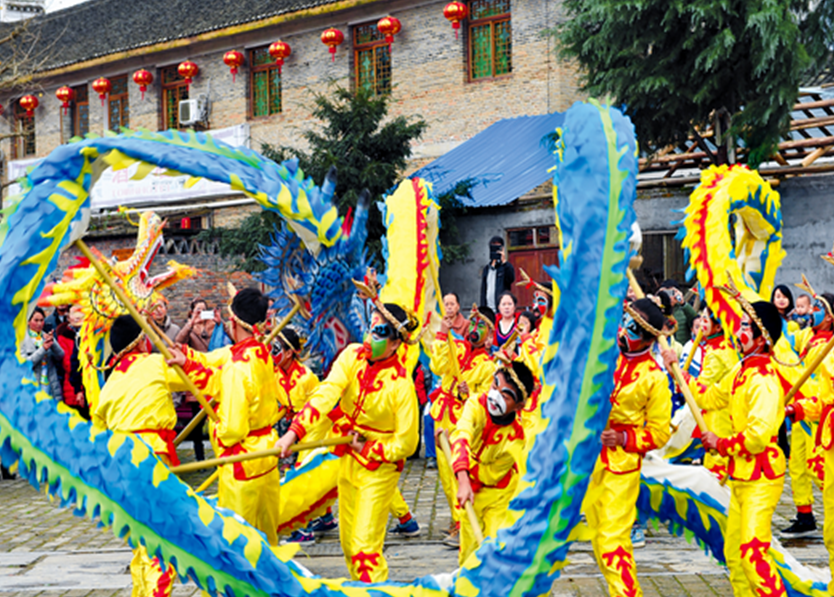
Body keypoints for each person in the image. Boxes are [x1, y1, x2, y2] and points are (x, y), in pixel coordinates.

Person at [275, 301, 420, 582]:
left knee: (366, 550)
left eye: (379, 332)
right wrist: (294, 433)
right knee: (349, 546)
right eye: (370, 328)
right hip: (347, 460)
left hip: (380, 471)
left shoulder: (401, 385)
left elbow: (407, 443)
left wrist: (367, 447)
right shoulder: (352, 356)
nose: (369, 337)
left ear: (394, 344)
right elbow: (327, 392)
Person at [93, 315, 216, 597]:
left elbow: (99, 433)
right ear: (141, 341)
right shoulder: (153, 364)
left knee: (141, 536)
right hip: (151, 460)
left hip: (121, 465)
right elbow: (193, 375)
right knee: (161, 537)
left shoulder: (111, 381)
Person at [673, 298, 787, 597]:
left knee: (753, 552)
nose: (739, 331)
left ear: (762, 338)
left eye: (746, 326)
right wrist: (686, 381)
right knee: (735, 554)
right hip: (741, 475)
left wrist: (720, 443)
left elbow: (758, 436)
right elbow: (711, 398)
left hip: (762, 478)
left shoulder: (763, 380)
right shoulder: (742, 369)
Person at [584, 298, 671, 597]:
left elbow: (659, 434)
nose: (624, 331)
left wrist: (623, 439)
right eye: (625, 322)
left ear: (648, 338)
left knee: (613, 540)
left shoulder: (655, 379)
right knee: (598, 539)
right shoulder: (610, 358)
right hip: (591, 460)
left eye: (633, 328)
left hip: (622, 468)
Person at [452, 360, 534, 563]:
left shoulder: (518, 435)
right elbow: (462, 434)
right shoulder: (475, 405)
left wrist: (466, 469)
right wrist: (463, 480)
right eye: (495, 385)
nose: (495, 395)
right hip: (469, 491)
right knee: (469, 554)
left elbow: (491, 474)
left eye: (506, 395)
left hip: (499, 495)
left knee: (497, 548)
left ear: (519, 406)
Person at [430, 305, 497, 548]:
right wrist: (441, 334)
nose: (475, 329)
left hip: (462, 422)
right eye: (474, 323)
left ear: (490, 337)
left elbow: (485, 400)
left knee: (459, 470)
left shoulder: (488, 366)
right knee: (446, 478)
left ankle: (464, 523)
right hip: (442, 417)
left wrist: (469, 394)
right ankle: (457, 519)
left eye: (483, 326)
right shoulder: (456, 347)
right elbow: (437, 367)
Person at [781, 290, 834, 537]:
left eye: (818, 308)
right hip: (806, 411)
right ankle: (805, 513)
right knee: (799, 465)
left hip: (819, 418)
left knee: (816, 466)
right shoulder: (808, 337)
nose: (812, 312)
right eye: (812, 307)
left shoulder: (828, 348)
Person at [686, 309, 739, 480]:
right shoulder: (718, 346)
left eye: (706, 319)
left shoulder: (717, 354)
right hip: (717, 408)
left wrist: (686, 380)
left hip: (718, 412)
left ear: (718, 327)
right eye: (700, 317)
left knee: (716, 459)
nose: (702, 322)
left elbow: (703, 384)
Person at [21, 307, 64, 399]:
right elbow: (26, 364)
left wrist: (53, 342)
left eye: (41, 320)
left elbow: (61, 356)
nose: (39, 324)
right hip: (34, 385)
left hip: (51, 385)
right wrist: (43, 349)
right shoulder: (22, 340)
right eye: (36, 320)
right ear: (28, 321)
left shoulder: (46, 336)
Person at [55, 305, 88, 419]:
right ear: (68, 317)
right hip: (72, 388)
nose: (78, 317)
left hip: (88, 387)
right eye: (74, 313)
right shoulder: (63, 334)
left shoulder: (88, 333)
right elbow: (68, 364)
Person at [479, 236, 515, 311]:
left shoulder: (505, 267)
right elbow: (483, 290)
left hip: (501, 309)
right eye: (493, 246)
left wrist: (504, 261)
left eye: (497, 247)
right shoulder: (487, 268)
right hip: (488, 309)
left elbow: (511, 279)